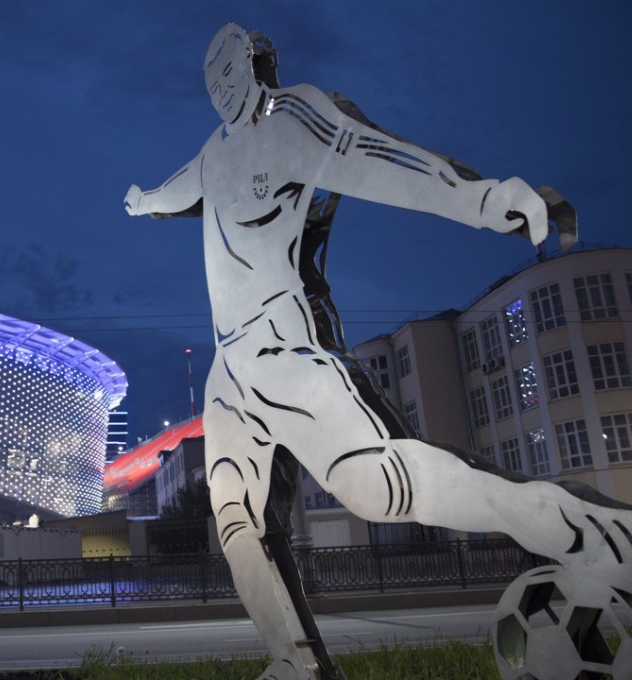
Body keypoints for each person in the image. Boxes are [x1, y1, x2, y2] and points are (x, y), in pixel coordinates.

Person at [125, 23, 631, 680]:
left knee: (377, 487)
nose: (222, 89)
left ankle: (590, 530)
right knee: (237, 521)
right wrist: (146, 202)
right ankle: (295, 664)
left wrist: (483, 198)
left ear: (257, 66)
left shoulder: (295, 122)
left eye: (231, 71)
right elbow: (178, 189)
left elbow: (375, 159)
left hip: (288, 349)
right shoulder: (213, 153)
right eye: (210, 79)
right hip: (231, 374)